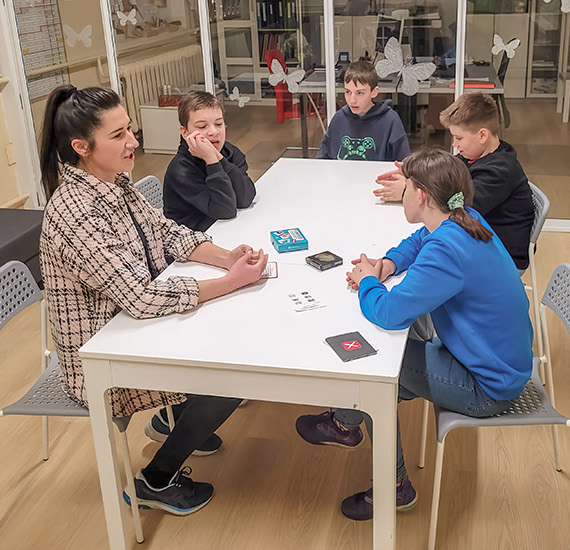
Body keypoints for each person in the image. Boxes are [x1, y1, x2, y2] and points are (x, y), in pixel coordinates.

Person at [37, 85, 266, 515]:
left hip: (132, 329)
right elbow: (140, 298)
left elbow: (166, 233)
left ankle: (178, 419)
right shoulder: (73, 213)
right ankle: (155, 480)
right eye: (119, 135)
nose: (134, 142)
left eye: (131, 130)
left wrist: (225, 257)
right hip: (102, 360)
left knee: (229, 348)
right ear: (82, 147)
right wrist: (230, 282)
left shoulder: (115, 185)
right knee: (235, 376)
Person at [291, 147, 533, 521]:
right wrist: (388, 263)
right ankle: (345, 422)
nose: (402, 196)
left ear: (420, 195)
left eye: (404, 189)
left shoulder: (448, 251)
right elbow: (420, 240)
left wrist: (368, 279)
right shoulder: (465, 217)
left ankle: (393, 484)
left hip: (487, 386)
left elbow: (388, 313)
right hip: (494, 360)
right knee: (383, 373)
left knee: (374, 374)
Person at [373, 92, 535, 270]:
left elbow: (455, 207)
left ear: (482, 136)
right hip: (471, 241)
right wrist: (415, 175)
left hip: (500, 258)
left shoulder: (500, 171)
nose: (454, 145)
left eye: (459, 138)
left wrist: (407, 191)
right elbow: (444, 174)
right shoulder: (473, 155)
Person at [163, 90, 255, 232]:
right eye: (202, 127)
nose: (214, 132)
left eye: (218, 124)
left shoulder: (229, 151)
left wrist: (219, 158)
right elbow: (225, 211)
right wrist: (212, 161)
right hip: (194, 242)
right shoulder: (180, 171)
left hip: (227, 230)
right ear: (185, 132)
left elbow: (246, 198)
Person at [317, 60, 409, 161]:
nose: (352, 100)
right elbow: (323, 158)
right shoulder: (339, 119)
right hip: (342, 176)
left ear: (374, 92)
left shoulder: (390, 121)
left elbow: (403, 163)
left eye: (360, 93)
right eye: (348, 92)